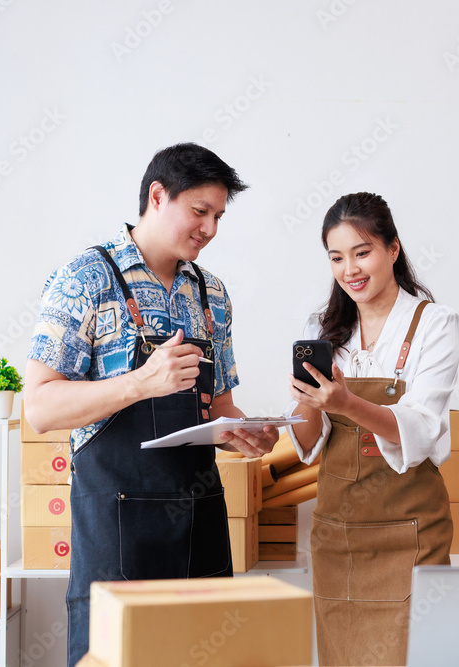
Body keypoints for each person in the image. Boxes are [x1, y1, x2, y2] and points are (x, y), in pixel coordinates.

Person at [24, 143, 278, 667]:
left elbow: (220, 407)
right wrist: (139, 383)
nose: (210, 228)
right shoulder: (85, 279)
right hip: (117, 531)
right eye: (200, 211)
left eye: (219, 216)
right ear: (157, 196)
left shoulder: (212, 294)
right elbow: (40, 408)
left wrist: (243, 431)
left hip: (199, 523)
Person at [286, 192, 459, 666]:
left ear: (393, 249)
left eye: (362, 252)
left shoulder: (433, 325)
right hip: (338, 537)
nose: (350, 270)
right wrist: (308, 403)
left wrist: (347, 401)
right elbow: (307, 445)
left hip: (411, 534)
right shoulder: (321, 330)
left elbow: (421, 429)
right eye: (337, 258)